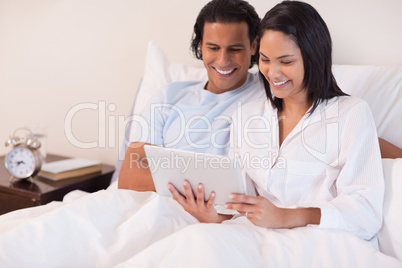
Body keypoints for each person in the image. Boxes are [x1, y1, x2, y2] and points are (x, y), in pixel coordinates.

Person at [168, 0, 384, 248]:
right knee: (192, 244)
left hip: (320, 244)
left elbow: (366, 213)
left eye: (286, 61)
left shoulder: (351, 114)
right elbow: (241, 202)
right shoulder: (247, 115)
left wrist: (287, 217)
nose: (273, 72)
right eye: (265, 59)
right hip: (256, 239)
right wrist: (213, 217)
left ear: (314, 58)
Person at [118, 0, 265, 192]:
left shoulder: (269, 94)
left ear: (253, 46)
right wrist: (199, 189)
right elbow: (130, 177)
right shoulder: (168, 97)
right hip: (155, 206)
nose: (223, 61)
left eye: (235, 49)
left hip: (221, 215)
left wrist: (173, 181)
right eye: (213, 48)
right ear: (201, 46)